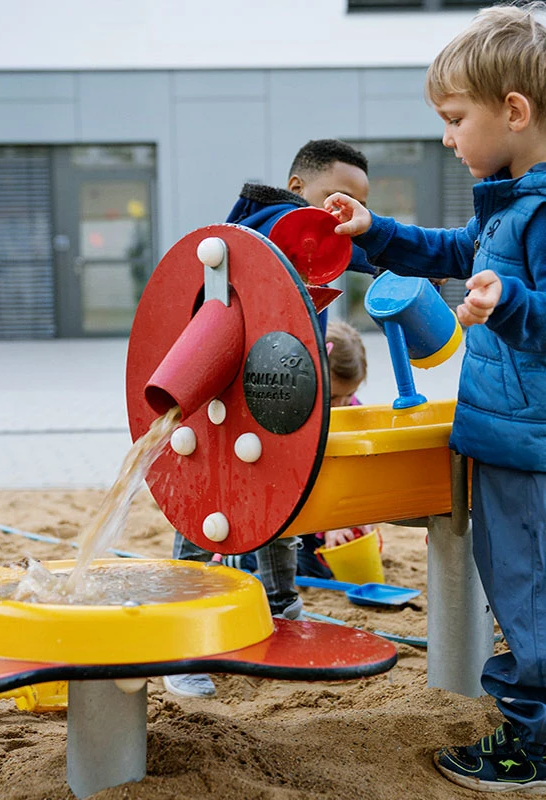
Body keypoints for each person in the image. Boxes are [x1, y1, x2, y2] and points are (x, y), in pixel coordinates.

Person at [324, 2, 546, 792]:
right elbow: (453, 250)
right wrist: (372, 232)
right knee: (517, 583)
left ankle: (533, 743)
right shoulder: (510, 203)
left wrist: (509, 306)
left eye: (455, 120)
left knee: (526, 591)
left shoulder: (540, 213)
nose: (447, 137)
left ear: (514, 112)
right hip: (508, 438)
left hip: (529, 444)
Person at [164, 139, 374, 699]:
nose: (345, 214)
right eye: (338, 197)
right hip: (223, 408)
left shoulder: (313, 245)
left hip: (275, 409)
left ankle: (280, 612)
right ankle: (187, 641)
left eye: (358, 203)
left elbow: (365, 255)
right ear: (298, 188)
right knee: (210, 512)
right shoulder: (275, 229)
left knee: (274, 508)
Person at [297, 320, 371, 579]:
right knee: (313, 570)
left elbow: (358, 472)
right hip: (303, 516)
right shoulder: (301, 419)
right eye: (331, 397)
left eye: (348, 394)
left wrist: (358, 515)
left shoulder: (353, 410)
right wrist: (330, 523)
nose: (340, 405)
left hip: (335, 509)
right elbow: (307, 482)